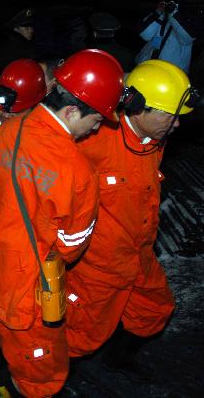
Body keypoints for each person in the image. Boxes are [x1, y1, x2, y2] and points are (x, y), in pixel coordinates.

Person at [0, 49, 125, 397]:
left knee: (14, 350)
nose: (95, 130)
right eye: (95, 121)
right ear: (71, 110)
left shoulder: (1, 133)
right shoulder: (76, 170)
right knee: (42, 376)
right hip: (25, 301)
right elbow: (70, 247)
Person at [66, 59, 195, 371]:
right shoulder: (93, 139)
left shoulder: (154, 141)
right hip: (99, 263)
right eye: (169, 115)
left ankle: (118, 360)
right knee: (81, 335)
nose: (177, 124)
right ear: (138, 108)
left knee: (154, 309)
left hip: (139, 251)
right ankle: (33, 378)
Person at [135, 0, 195, 72]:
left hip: (171, 74)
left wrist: (173, 14)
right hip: (147, 67)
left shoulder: (189, 18)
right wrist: (159, 13)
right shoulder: (158, 14)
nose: (170, 3)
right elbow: (145, 35)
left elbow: (187, 38)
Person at [0, 8, 38, 77]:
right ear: (16, 29)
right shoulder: (18, 47)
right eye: (26, 28)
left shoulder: (12, 42)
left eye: (31, 27)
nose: (31, 31)